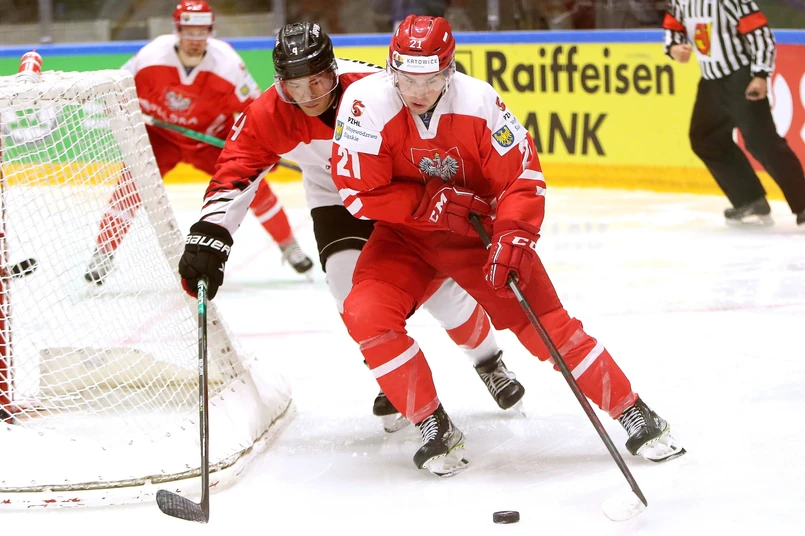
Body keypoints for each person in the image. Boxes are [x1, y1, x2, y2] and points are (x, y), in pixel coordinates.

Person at [331, 15, 686, 476]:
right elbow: (359, 192)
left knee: (547, 326)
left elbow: (521, 175)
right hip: (406, 237)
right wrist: (430, 205)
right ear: (391, 68)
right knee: (365, 312)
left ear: (449, 69)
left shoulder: (479, 101)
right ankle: (432, 424)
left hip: (477, 235)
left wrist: (513, 233)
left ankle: (633, 411)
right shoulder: (365, 103)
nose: (418, 91)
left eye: (431, 79)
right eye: (407, 79)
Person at [176, 21, 526, 435]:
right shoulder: (268, 114)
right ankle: (391, 372)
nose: (308, 96)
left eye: (318, 81)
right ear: (280, 84)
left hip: (397, 188)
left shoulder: (374, 86)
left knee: (441, 293)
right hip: (335, 196)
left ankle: (488, 360)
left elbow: (437, 117)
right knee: (346, 287)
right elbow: (236, 169)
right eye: (295, 86)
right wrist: (211, 234)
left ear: (334, 71)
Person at [84, 0, 313, 285]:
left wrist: (267, 149)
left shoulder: (228, 64)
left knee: (253, 186)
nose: (195, 39)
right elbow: (116, 92)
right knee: (129, 188)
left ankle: (289, 246)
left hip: (212, 139)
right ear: (177, 30)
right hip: (160, 138)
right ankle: (103, 253)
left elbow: (256, 111)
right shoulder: (151, 56)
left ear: (211, 31)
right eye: (189, 32)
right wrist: (123, 109)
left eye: (202, 32)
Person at [664, 0, 805, 226]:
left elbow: (760, 34)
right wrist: (674, 47)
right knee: (705, 138)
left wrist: (760, 75)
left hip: (741, 77)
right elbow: (674, 26)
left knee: (762, 142)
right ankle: (749, 199)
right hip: (711, 81)